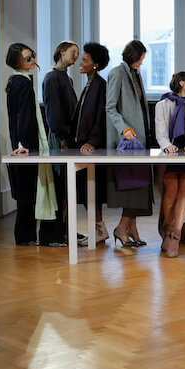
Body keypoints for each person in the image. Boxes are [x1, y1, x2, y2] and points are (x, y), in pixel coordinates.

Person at [4, 43, 58, 246]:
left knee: (26, 193)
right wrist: (24, 144)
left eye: (32, 56)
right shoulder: (23, 83)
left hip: (21, 143)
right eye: (28, 58)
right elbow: (23, 116)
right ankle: (25, 236)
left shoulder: (16, 81)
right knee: (27, 193)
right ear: (17, 62)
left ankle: (25, 236)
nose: (32, 60)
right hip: (26, 146)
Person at [105, 40, 154, 248]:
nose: (142, 62)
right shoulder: (117, 73)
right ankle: (121, 228)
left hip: (140, 140)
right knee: (132, 187)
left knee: (141, 186)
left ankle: (131, 227)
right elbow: (110, 107)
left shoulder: (135, 73)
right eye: (141, 58)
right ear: (133, 56)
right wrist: (123, 128)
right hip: (127, 141)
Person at [154, 71, 185, 257]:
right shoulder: (162, 105)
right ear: (182, 83)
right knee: (171, 190)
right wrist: (167, 146)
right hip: (170, 153)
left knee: (184, 189)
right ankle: (167, 230)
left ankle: (175, 235)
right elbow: (160, 133)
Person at [70, 42, 111, 245]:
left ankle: (99, 230)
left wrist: (92, 142)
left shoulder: (101, 86)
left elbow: (100, 116)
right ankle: (98, 230)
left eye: (85, 60)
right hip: (81, 145)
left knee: (91, 189)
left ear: (95, 64)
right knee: (87, 190)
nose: (80, 62)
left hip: (91, 146)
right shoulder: (88, 84)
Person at [41, 40, 79, 247]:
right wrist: (63, 136)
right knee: (57, 187)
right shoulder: (52, 77)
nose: (76, 56)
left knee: (65, 188)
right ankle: (52, 235)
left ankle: (64, 231)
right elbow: (53, 113)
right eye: (73, 52)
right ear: (62, 52)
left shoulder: (64, 77)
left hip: (66, 138)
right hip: (59, 139)